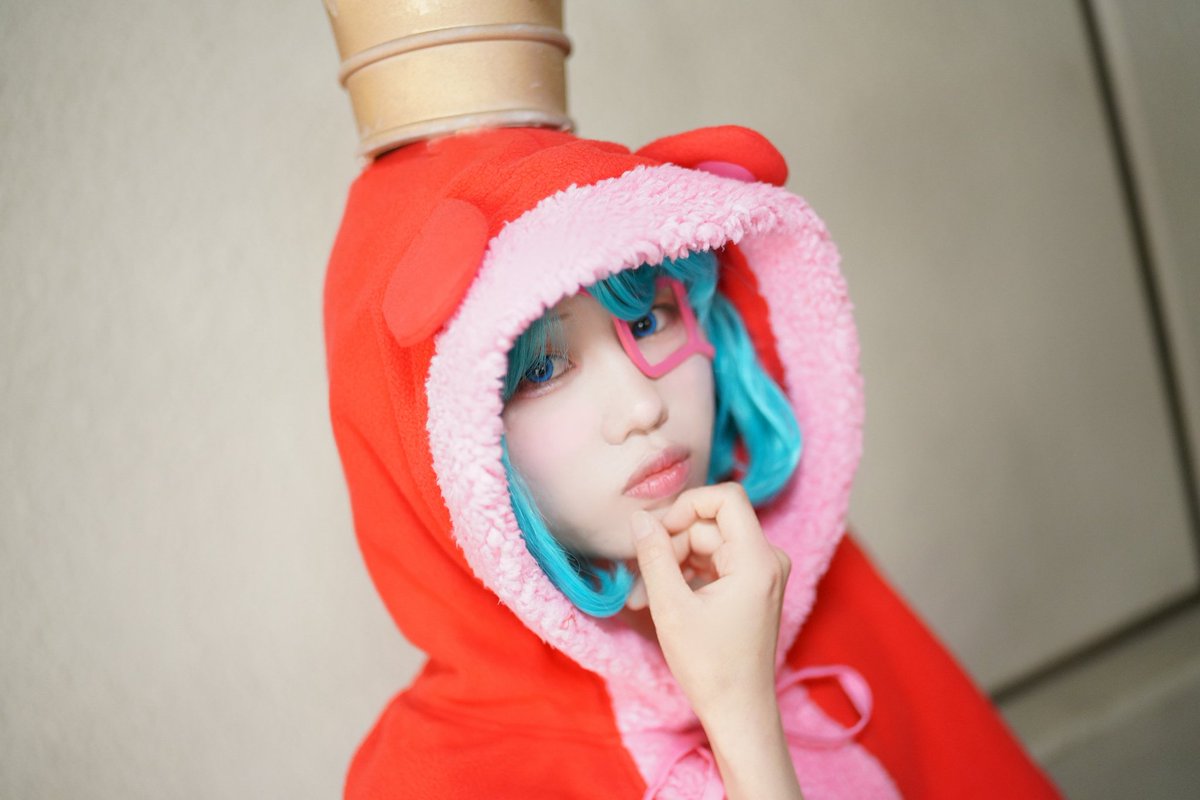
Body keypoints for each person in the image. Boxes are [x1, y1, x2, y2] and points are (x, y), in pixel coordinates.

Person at [324, 124, 1060, 798]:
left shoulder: (798, 577)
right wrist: (739, 715)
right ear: (443, 447)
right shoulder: (425, 783)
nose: (642, 407)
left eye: (650, 319)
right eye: (542, 370)